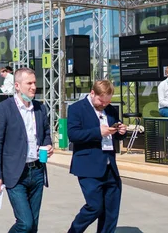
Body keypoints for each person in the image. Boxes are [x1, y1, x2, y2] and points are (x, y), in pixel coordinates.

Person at [0, 67, 53, 232]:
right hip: (15, 173)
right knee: (25, 223)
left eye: (34, 83)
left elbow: (45, 133)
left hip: (37, 171)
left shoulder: (40, 108)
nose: (33, 87)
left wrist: (48, 145)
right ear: (17, 85)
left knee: (34, 225)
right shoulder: (4, 109)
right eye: (28, 83)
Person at [67, 80, 127, 233]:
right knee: (94, 206)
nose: (104, 104)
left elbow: (116, 135)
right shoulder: (77, 109)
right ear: (92, 93)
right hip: (88, 165)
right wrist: (97, 132)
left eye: (107, 102)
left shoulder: (111, 110)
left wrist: (121, 131)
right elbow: (73, 134)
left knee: (111, 209)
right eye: (101, 101)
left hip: (109, 165)